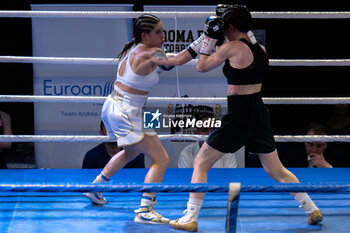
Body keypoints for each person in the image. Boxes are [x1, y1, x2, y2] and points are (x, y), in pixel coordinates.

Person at [169, 5, 323, 232]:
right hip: (258, 112)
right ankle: (311, 209)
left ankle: (190, 217)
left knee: (201, 162)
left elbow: (201, 66)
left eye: (225, 28)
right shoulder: (261, 49)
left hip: (238, 114)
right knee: (277, 170)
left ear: (230, 27)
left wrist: (209, 40)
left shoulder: (231, 48)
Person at [83, 13, 198, 225]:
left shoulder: (131, 47)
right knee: (161, 159)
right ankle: (145, 210)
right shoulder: (151, 52)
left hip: (114, 105)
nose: (164, 36)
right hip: (126, 110)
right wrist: (203, 41)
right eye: (158, 32)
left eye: (163, 31)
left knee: (130, 152)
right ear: (145, 36)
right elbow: (178, 61)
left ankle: (95, 188)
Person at [279, 122, 350, 168]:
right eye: (310, 144)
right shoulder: (293, 154)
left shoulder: (337, 154)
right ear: (304, 142)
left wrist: (327, 167)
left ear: (327, 144)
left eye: (319, 146)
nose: (313, 150)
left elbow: (344, 179)